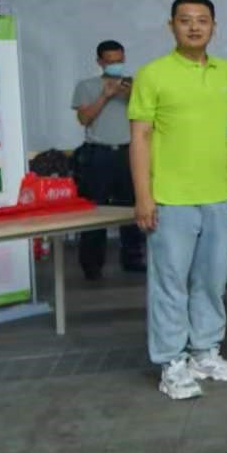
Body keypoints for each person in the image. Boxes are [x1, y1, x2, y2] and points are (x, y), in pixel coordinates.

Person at [129, 0, 227, 400]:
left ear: (214, 26)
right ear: (171, 26)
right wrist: (143, 196)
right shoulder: (153, 74)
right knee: (170, 283)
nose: (194, 27)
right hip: (171, 197)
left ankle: (205, 352)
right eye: (185, 20)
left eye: (202, 20)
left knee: (211, 281)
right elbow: (140, 138)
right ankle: (171, 362)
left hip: (220, 195)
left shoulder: (226, 72)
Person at [71, 40, 145, 279]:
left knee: (132, 207)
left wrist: (130, 95)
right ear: (100, 62)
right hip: (98, 154)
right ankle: (92, 265)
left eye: (119, 60)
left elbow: (148, 114)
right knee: (95, 210)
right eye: (110, 61)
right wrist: (105, 95)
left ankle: (133, 259)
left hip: (128, 152)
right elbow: (84, 119)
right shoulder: (86, 85)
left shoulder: (135, 85)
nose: (116, 65)